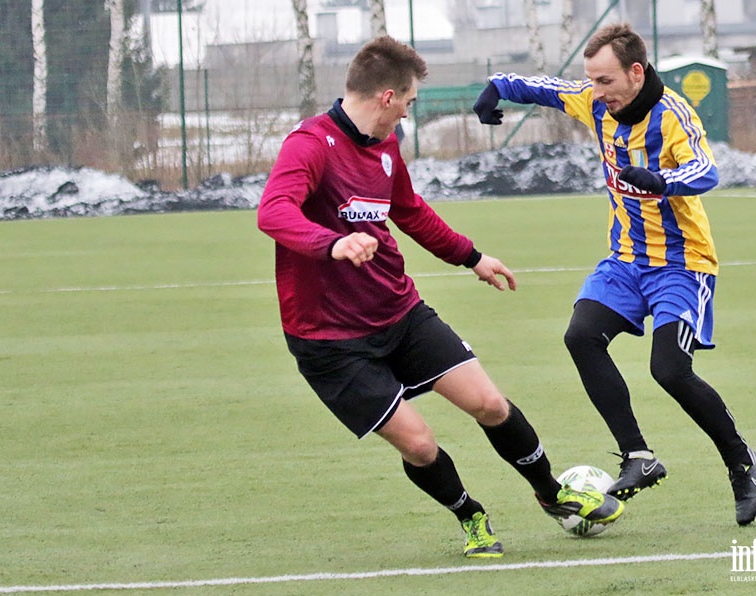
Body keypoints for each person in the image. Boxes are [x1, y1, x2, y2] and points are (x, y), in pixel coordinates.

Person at [257, 35, 624, 559]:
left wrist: (471, 257)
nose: (408, 114)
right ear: (387, 96)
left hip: (399, 311)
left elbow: (408, 211)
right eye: (408, 103)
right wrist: (333, 242)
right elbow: (273, 212)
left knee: (490, 404)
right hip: (330, 340)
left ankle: (552, 493)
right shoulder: (310, 144)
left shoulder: (385, 145)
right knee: (420, 444)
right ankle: (471, 516)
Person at [472, 22, 756, 526]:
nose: (595, 91)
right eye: (591, 80)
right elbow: (543, 87)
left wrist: (661, 180)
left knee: (670, 371)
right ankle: (638, 456)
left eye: (604, 80)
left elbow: (706, 169)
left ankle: (742, 461)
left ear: (635, 72)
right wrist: (496, 87)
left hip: (681, 263)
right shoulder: (595, 101)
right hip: (625, 259)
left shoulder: (672, 114)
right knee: (581, 336)